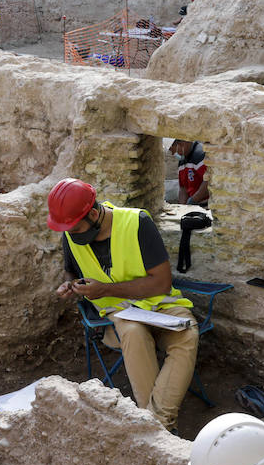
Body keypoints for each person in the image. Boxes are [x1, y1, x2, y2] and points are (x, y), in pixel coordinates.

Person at [48, 177, 197, 430]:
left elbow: (161, 283)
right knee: (134, 333)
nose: (71, 235)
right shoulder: (72, 234)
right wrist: (70, 284)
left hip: (162, 304)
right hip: (120, 314)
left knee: (187, 336)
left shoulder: (137, 223)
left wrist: (104, 288)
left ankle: (153, 424)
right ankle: (163, 427)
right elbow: (70, 270)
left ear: (94, 214)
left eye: (74, 229)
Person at [166, 138, 209, 206]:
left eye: (173, 150)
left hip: (205, 204)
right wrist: (182, 206)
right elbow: (183, 188)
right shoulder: (182, 161)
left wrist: (194, 199)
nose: (173, 154)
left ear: (181, 144)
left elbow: (208, 182)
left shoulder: (199, 155)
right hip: (193, 204)